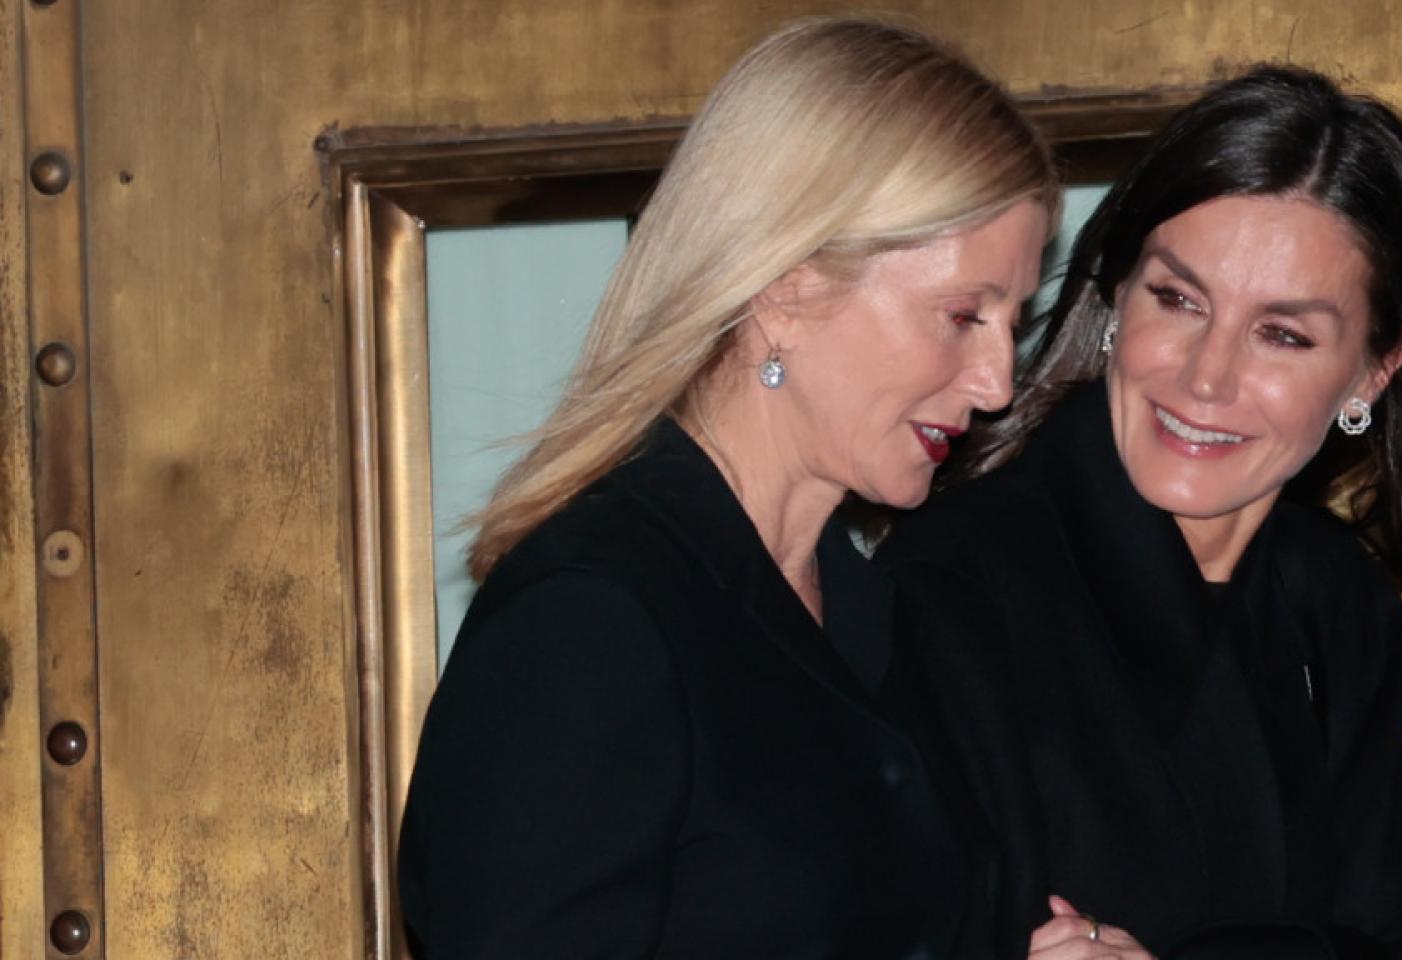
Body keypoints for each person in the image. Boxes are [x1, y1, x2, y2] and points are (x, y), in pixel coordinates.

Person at [396, 17, 1057, 958]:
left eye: (1013, 322)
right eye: (961, 316)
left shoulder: (875, 610)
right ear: (786, 289)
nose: (996, 383)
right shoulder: (594, 621)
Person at [878, 66, 1402, 960]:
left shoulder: (1338, 602)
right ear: (1117, 292)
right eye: (1178, 300)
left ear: (1374, 371)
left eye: (1282, 334)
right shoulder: (954, 586)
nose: (1206, 378)